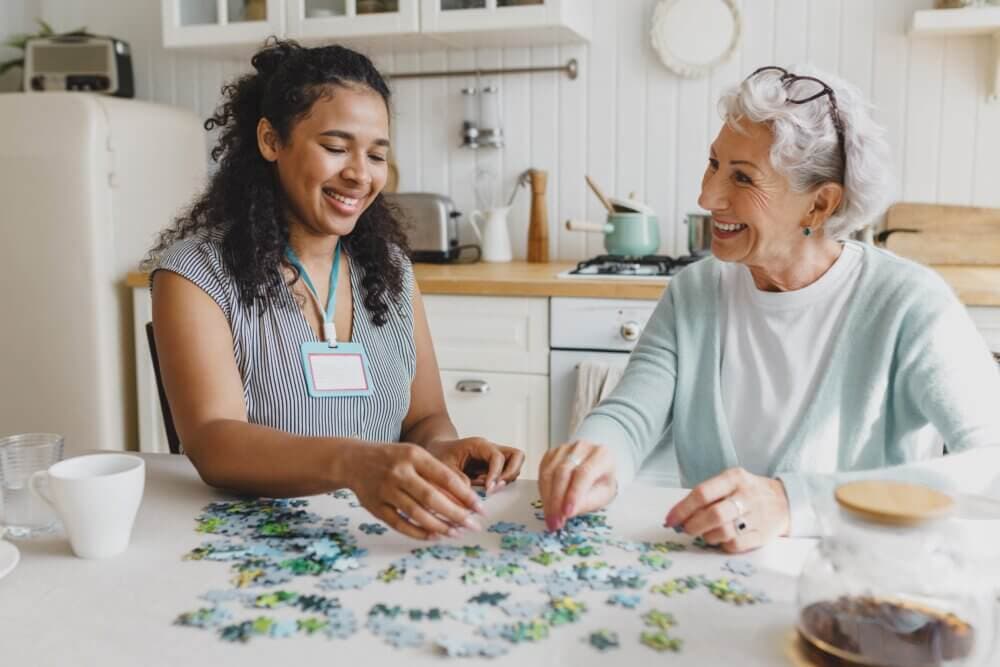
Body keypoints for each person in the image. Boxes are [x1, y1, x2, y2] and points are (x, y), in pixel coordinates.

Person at [538, 65, 1000, 552]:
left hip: (852, 590)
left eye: (742, 177)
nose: (707, 195)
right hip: (711, 587)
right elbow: (632, 415)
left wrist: (790, 504)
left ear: (819, 205)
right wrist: (592, 456)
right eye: (713, 164)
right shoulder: (694, 292)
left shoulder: (910, 304)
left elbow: (992, 464)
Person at [147, 40, 523, 541]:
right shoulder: (194, 276)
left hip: (384, 542)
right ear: (270, 141)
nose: (359, 174)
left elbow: (426, 418)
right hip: (254, 546)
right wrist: (355, 463)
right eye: (335, 147)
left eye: (376, 155)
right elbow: (214, 443)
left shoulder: (390, 271)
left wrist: (442, 453)